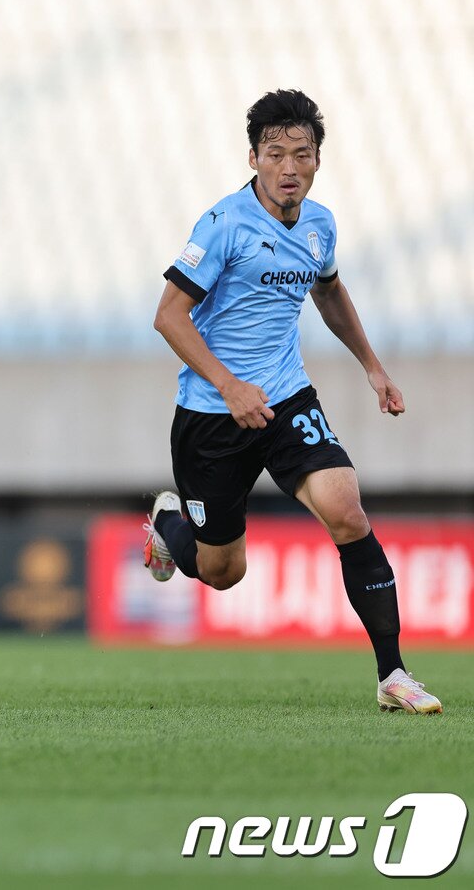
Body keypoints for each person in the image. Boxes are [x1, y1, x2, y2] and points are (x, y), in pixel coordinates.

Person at [143, 90, 441, 714]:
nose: (288, 167)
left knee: (347, 509)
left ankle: (393, 675)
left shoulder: (319, 224)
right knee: (225, 572)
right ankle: (168, 526)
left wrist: (373, 366)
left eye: (300, 154)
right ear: (253, 158)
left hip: (284, 397)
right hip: (212, 415)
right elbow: (169, 317)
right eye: (274, 153)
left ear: (317, 161)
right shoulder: (223, 224)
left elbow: (328, 293)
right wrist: (229, 385)